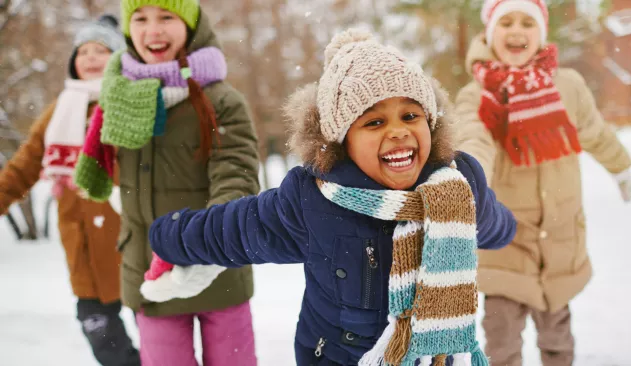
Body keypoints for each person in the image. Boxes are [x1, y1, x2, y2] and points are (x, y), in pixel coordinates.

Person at [146, 28, 517, 365]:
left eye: (410, 115)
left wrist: (503, 224)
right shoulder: (313, 200)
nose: (398, 131)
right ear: (342, 140)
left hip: (431, 355)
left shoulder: (453, 187)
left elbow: (492, 223)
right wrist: (169, 236)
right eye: (374, 122)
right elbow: (234, 229)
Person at [73, 1, 261, 365]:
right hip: (148, 272)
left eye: (166, 17)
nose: (153, 30)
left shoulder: (221, 101)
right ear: (129, 30)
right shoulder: (118, 98)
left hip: (217, 270)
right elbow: (112, 176)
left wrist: (206, 245)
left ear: (191, 26)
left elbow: (235, 177)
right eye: (140, 19)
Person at [454, 1, 631, 365]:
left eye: (527, 22)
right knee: (502, 343)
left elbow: (595, 132)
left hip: (559, 239)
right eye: (506, 22)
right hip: (505, 242)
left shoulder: (567, 86)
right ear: (490, 33)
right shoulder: (479, 95)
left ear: (541, 33)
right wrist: (469, 184)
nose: (517, 30)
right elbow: (474, 140)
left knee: (558, 341)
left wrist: (621, 167)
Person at [0, 14, 140, 366]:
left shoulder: (134, 104)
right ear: (73, 63)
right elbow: (23, 167)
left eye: (101, 50)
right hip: (83, 245)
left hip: (133, 239)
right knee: (100, 331)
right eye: (83, 51)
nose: (91, 57)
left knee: (158, 330)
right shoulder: (58, 113)